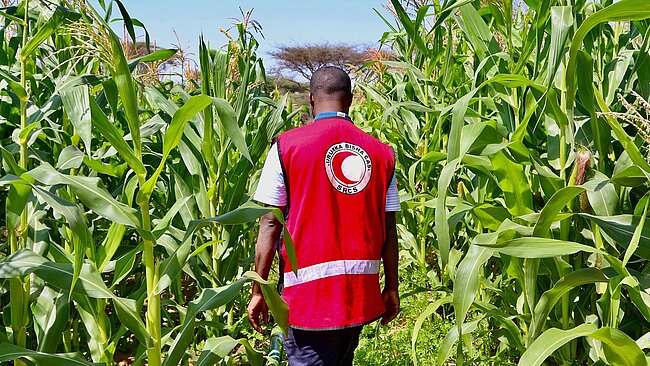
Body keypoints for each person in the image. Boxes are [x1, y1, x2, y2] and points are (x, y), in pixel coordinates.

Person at [247, 66, 400, 366]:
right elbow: (388, 229)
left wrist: (258, 289)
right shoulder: (382, 154)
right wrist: (391, 288)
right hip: (359, 298)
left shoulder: (286, 146)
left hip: (308, 300)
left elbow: (269, 223)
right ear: (351, 101)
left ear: (311, 100)